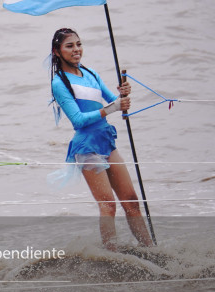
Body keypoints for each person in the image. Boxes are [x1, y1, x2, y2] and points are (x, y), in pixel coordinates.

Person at [48, 27, 155, 250]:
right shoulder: (59, 83)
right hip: (87, 147)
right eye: (69, 46)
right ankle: (111, 256)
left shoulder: (91, 73)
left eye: (78, 44)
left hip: (106, 141)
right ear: (57, 51)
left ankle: (151, 250)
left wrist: (123, 94)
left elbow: (113, 101)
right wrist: (113, 108)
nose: (76, 50)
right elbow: (77, 120)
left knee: (132, 202)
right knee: (108, 206)